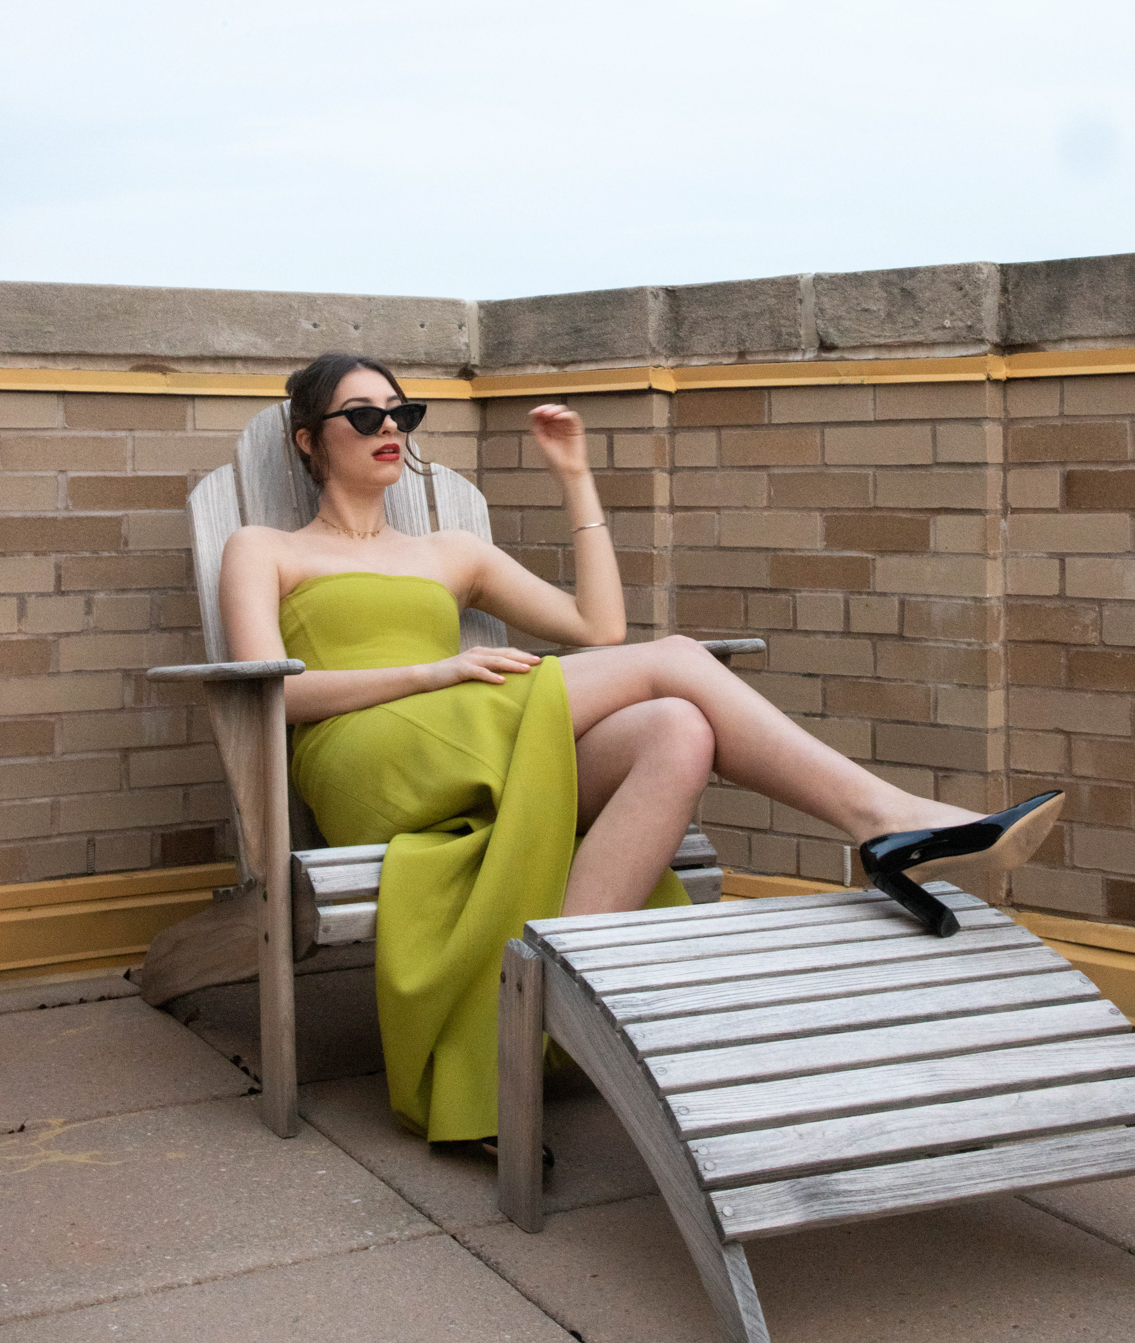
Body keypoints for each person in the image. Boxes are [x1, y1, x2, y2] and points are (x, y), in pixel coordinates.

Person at [221, 351, 1061, 1150]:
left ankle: (541, 1006)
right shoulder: (265, 547)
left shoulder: (450, 552)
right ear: (308, 439)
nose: (388, 427)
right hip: (366, 755)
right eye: (363, 414)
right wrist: (428, 671)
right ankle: (882, 819)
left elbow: (598, 627)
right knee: (676, 659)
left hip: (468, 736)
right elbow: (275, 691)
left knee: (676, 729)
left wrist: (575, 476)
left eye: (401, 413)